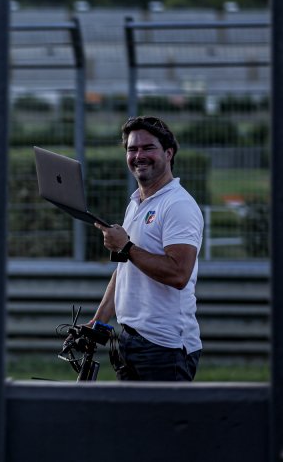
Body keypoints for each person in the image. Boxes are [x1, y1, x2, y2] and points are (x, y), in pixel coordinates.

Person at [89, 115, 204, 381]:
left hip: (165, 348)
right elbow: (124, 269)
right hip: (130, 341)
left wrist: (126, 246)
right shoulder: (136, 202)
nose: (139, 156)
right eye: (132, 149)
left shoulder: (178, 205)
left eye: (148, 148)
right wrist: (99, 321)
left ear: (168, 153)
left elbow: (179, 274)